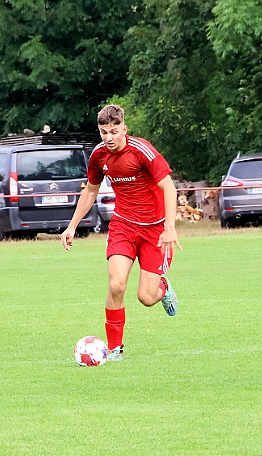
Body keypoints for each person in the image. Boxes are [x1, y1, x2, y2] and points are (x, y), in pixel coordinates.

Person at [61, 104, 182, 361]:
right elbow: (91, 190)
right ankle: (115, 349)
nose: (109, 137)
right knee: (116, 284)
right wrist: (72, 226)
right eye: (104, 132)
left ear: (124, 129)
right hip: (123, 226)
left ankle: (162, 286)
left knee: (146, 298)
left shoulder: (142, 151)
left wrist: (170, 228)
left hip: (155, 230)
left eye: (114, 131)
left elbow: (169, 188)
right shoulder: (98, 156)